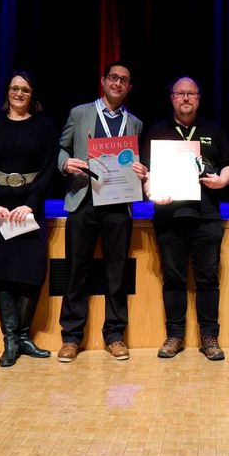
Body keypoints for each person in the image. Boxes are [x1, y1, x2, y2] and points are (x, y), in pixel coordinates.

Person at [57, 62, 146, 362]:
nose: (117, 83)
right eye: (113, 78)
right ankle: (71, 337)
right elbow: (61, 148)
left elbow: (136, 162)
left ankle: (115, 335)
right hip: (84, 200)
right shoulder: (80, 113)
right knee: (76, 271)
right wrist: (65, 163)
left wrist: (141, 170)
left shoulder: (134, 123)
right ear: (103, 81)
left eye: (124, 80)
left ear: (129, 87)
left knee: (116, 273)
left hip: (118, 204)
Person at [141, 77, 229, 361]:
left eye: (191, 94)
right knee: (173, 279)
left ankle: (209, 337)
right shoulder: (157, 132)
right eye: (180, 93)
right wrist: (151, 192)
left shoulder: (213, 130)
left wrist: (223, 180)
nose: (185, 98)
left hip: (207, 216)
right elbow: (146, 172)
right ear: (172, 97)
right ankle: (175, 335)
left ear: (198, 98)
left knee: (208, 279)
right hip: (169, 216)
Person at [0, 71, 58, 367]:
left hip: (29, 209)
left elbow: (49, 169)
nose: (19, 94)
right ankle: (10, 340)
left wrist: (31, 204)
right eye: (14, 88)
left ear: (32, 95)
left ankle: (24, 336)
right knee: (5, 273)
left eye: (25, 89)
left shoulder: (44, 127)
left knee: (31, 272)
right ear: (7, 92)